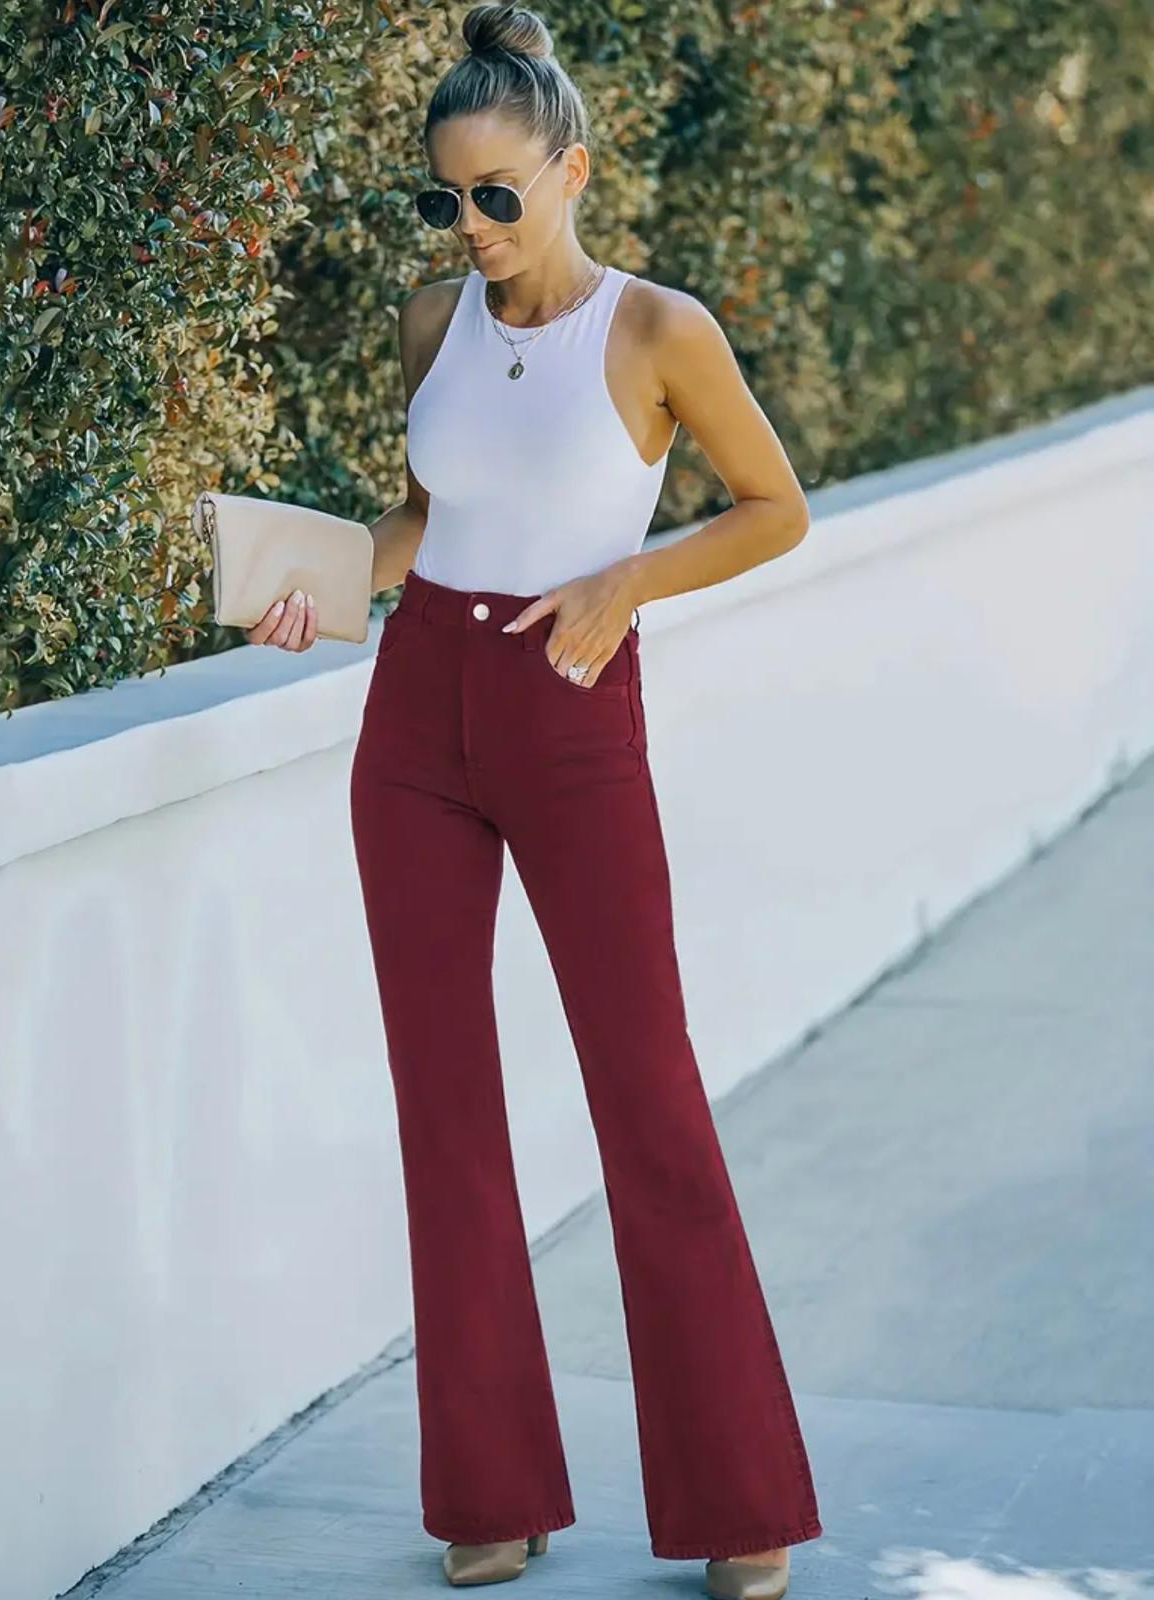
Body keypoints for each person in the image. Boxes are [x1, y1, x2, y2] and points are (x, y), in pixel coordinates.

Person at [247, 5, 821, 1595]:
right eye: (446, 198)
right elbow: (425, 520)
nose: (472, 226)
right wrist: (315, 582)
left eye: (498, 194)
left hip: (571, 702)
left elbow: (775, 508)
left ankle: (740, 1500)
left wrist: (629, 583)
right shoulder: (434, 321)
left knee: (648, 1094)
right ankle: (490, 1489)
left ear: (573, 171)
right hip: (416, 713)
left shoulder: (657, 333)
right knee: (444, 1104)